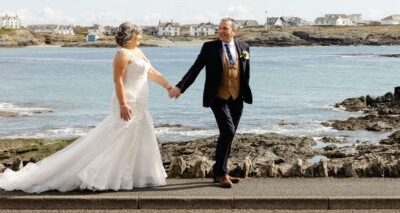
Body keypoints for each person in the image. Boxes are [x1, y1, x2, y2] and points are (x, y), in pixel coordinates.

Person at [0, 22, 171, 193]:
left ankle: (135, 176)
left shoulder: (139, 52)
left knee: (136, 137)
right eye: (138, 34)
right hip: (128, 101)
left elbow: (152, 72)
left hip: (141, 103)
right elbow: (117, 81)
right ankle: (98, 175)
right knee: (117, 139)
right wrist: (122, 104)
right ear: (130, 36)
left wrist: (169, 87)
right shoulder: (122, 54)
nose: (141, 37)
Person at [169, 18, 252, 188]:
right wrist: (180, 87)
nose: (221, 31)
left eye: (225, 29)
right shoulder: (209, 47)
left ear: (233, 32)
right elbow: (195, 68)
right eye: (219, 28)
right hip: (218, 97)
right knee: (227, 131)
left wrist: (243, 93)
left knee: (230, 135)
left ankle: (221, 172)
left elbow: (245, 72)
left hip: (237, 98)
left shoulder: (244, 47)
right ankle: (221, 174)